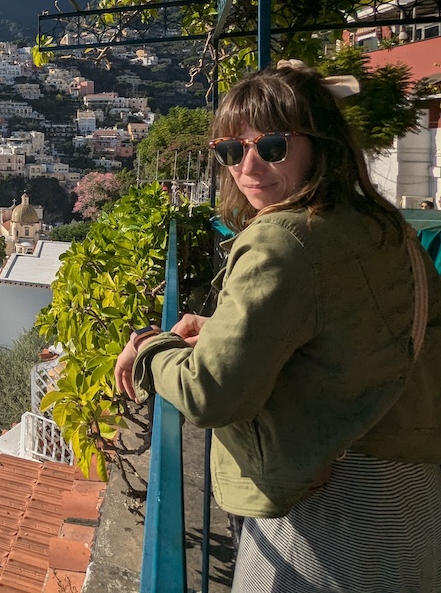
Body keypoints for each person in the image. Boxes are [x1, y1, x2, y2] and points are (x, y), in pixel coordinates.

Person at [114, 61, 441, 592]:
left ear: (320, 144)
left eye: (271, 147)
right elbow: (343, 331)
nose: (247, 166)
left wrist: (153, 350)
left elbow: (210, 391)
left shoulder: (284, 239)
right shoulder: (388, 230)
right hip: (414, 493)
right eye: (231, 150)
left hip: (326, 510)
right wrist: (224, 326)